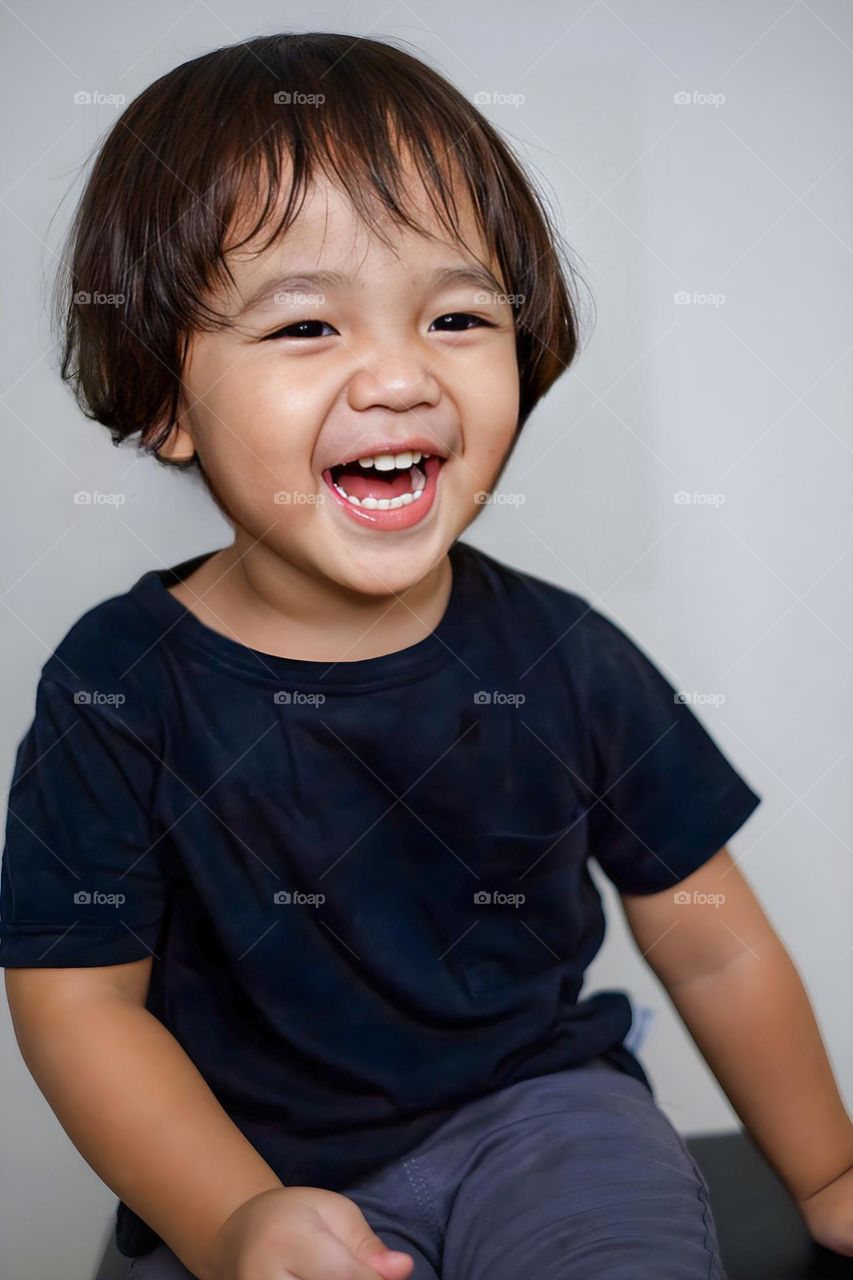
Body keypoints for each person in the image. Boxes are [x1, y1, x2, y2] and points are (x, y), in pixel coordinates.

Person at [2, 31, 851, 1280]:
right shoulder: (118, 684)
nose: (399, 376)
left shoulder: (561, 653)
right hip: (243, 1163)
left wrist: (829, 1168)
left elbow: (711, 934)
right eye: (304, 327)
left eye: (455, 315)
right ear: (169, 400)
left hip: (545, 1120)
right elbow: (77, 1000)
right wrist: (230, 1216)